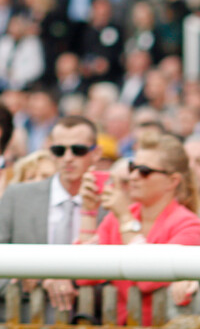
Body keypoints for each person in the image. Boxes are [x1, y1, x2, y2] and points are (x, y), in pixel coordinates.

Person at [0, 115, 103, 321]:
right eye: (59, 150)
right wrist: (32, 282)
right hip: (25, 317)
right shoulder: (17, 196)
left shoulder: (111, 204)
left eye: (78, 150)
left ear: (96, 154)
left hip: (91, 318)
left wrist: (71, 283)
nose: (68, 157)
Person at [77, 131, 200, 325]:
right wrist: (89, 212)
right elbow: (83, 275)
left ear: (173, 181)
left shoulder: (190, 226)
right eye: (132, 167)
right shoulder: (118, 216)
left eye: (144, 171)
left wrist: (126, 220)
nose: (133, 176)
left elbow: (146, 280)